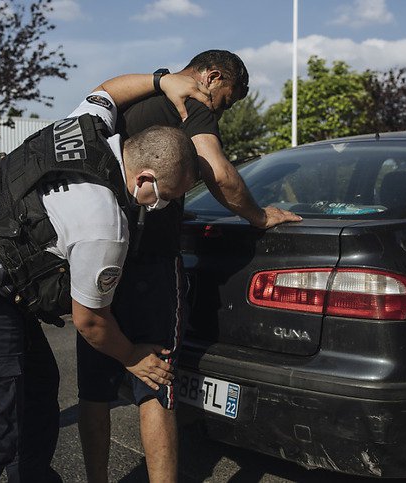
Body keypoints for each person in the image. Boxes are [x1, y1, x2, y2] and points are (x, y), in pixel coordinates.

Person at [0, 72, 209, 482]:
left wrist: (161, 80)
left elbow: (107, 92)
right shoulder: (106, 225)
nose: (164, 207)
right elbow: (90, 321)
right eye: (167, 198)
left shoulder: (85, 126)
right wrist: (134, 357)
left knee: (37, 389)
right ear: (145, 180)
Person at [77, 50, 302, 483]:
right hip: (151, 266)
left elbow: (100, 92)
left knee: (94, 388)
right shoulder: (194, 105)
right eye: (227, 100)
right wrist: (260, 216)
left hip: (99, 255)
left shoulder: (131, 96)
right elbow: (218, 172)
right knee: (156, 382)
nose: (221, 109)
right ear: (212, 77)